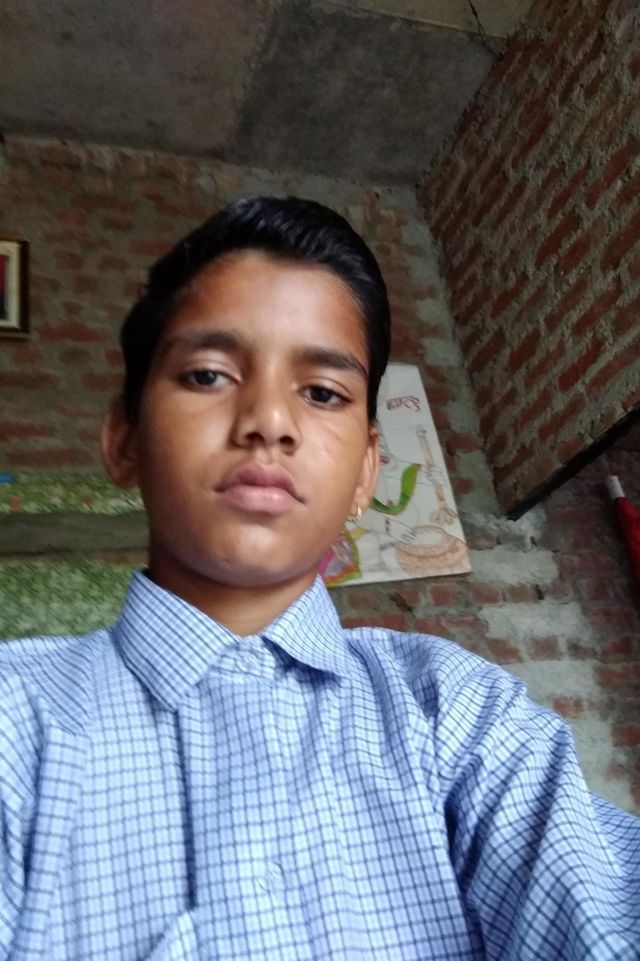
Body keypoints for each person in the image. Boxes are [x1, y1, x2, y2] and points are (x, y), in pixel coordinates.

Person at [0, 196, 638, 961]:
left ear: (367, 469)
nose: (269, 420)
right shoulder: (16, 722)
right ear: (124, 438)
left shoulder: (460, 718)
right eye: (208, 374)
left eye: (324, 392)